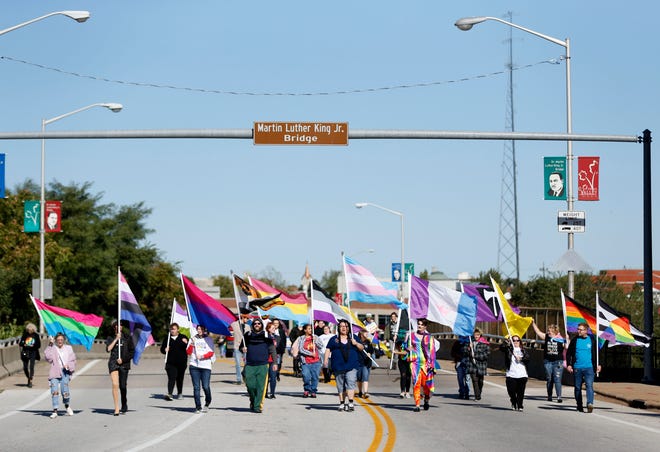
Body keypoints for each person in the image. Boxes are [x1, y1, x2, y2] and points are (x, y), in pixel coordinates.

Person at [324, 319, 364, 412]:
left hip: (352, 365)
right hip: (338, 366)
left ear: (349, 328)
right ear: (338, 328)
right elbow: (328, 349)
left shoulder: (353, 337)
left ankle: (350, 402)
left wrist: (356, 343)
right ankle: (342, 403)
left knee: (351, 382)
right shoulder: (334, 339)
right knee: (340, 385)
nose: (344, 328)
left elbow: (361, 348)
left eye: (345, 326)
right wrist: (325, 360)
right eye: (341, 326)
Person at [242, 318, 277, 413]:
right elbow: (241, 346)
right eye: (255, 323)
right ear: (253, 325)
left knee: (261, 387)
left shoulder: (266, 335)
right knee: (250, 386)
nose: (257, 325)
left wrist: (274, 362)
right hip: (250, 364)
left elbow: (272, 349)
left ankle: (257, 406)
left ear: (261, 325)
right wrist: (243, 348)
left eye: (259, 323)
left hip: (263, 365)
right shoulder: (248, 335)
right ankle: (253, 401)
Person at [566, 322, 601, 413]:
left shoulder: (592, 339)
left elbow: (597, 353)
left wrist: (598, 364)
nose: (578, 331)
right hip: (577, 367)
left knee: (589, 385)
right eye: (578, 329)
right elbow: (569, 353)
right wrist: (569, 364)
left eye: (580, 329)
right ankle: (579, 405)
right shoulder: (575, 340)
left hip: (589, 367)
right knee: (577, 387)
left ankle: (590, 403)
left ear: (586, 330)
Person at [106, 319, 135, 416]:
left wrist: (123, 359)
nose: (119, 327)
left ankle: (124, 403)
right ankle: (116, 408)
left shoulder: (127, 337)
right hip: (113, 362)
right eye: (117, 325)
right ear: (114, 327)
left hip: (124, 363)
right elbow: (108, 349)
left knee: (122, 386)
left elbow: (132, 352)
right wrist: (116, 339)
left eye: (121, 325)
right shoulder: (110, 337)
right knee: (115, 384)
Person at [44, 333, 77, 418]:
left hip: (65, 372)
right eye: (58, 340)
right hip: (55, 372)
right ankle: (55, 410)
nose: (60, 341)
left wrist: (68, 365)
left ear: (64, 340)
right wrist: (50, 344)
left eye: (61, 340)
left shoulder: (68, 348)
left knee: (65, 392)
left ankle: (67, 405)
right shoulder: (53, 348)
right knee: (54, 391)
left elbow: (73, 360)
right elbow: (48, 357)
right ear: (55, 340)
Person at [409, 319, 438, 412]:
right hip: (415, 364)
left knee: (426, 385)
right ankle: (417, 404)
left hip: (426, 364)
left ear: (425, 327)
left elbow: (432, 352)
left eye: (421, 325)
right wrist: (407, 347)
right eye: (418, 324)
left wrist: (432, 365)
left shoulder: (429, 338)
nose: (419, 326)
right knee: (416, 384)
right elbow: (405, 347)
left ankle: (426, 400)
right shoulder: (412, 336)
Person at [532, 321, 566, 402]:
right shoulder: (547, 337)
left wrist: (567, 338)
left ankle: (559, 396)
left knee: (557, 379)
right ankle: (549, 395)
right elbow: (538, 332)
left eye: (549, 331)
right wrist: (533, 323)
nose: (548, 332)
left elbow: (567, 347)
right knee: (549, 379)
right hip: (548, 362)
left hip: (558, 362)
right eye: (548, 331)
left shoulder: (561, 340)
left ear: (555, 331)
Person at [186, 325, 215, 413]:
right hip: (194, 365)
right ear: (196, 329)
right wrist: (191, 344)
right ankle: (198, 406)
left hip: (205, 366)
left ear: (204, 330)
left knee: (205, 386)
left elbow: (211, 353)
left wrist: (202, 356)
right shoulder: (193, 339)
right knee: (196, 387)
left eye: (202, 329)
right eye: (198, 329)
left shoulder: (209, 339)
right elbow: (188, 352)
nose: (200, 330)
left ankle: (207, 402)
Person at [500, 335, 530, 412]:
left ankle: (520, 405)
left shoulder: (523, 350)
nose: (516, 342)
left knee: (520, 392)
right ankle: (513, 401)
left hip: (522, 374)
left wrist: (521, 358)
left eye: (517, 340)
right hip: (511, 374)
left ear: (520, 342)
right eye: (514, 340)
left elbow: (528, 358)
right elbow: (501, 348)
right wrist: (506, 342)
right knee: (511, 391)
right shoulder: (509, 349)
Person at [160, 322, 189, 401]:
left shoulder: (183, 337)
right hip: (171, 363)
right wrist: (165, 350)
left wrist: (186, 342)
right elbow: (162, 349)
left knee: (180, 378)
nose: (172, 331)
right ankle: (170, 394)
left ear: (178, 330)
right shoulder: (167, 338)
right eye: (171, 329)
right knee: (172, 377)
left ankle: (179, 393)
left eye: (174, 329)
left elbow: (188, 348)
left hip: (181, 363)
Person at [299, 323, 323, 398]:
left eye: (311, 328)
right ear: (305, 330)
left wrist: (316, 341)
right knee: (306, 376)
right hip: (306, 361)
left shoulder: (315, 337)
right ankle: (307, 389)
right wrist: (310, 354)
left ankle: (313, 391)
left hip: (316, 361)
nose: (310, 330)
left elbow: (321, 346)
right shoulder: (302, 338)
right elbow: (301, 349)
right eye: (309, 329)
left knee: (315, 377)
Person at [466, 328, 491, 401]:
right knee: (474, 380)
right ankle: (477, 396)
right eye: (475, 335)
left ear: (480, 335)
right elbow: (466, 353)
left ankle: (479, 392)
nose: (476, 336)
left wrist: (475, 356)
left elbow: (486, 355)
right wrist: (469, 349)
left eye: (478, 335)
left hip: (481, 365)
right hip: (472, 365)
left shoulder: (485, 344)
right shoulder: (470, 342)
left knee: (480, 381)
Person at [19, 322, 41, 388]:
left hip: (33, 352)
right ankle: (28, 377)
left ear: (33, 330)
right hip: (25, 352)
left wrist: (33, 345)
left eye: (31, 330)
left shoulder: (36, 335)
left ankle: (30, 380)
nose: (29, 331)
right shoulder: (25, 335)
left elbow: (39, 345)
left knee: (31, 366)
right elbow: (21, 343)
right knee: (25, 367)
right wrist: (24, 344)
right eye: (28, 330)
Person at [230, 314, 250, 385]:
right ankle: (239, 379)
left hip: (245, 348)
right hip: (237, 347)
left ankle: (245, 375)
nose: (246, 320)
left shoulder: (248, 327)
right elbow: (227, 324)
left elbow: (248, 338)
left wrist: (247, 346)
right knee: (238, 364)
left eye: (247, 318)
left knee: (247, 364)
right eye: (245, 318)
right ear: (242, 317)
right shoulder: (235, 324)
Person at [265, 321, 282, 399]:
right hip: (265, 359)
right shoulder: (265, 337)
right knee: (265, 378)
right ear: (268, 329)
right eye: (272, 328)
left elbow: (280, 348)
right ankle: (265, 392)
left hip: (274, 360)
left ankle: (272, 393)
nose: (274, 329)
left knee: (273, 377)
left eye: (274, 328)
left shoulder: (277, 337)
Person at [450, 336, 471, 400]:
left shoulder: (470, 343)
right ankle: (462, 392)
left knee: (467, 378)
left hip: (468, 363)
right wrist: (458, 356)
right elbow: (452, 353)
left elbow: (474, 353)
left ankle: (467, 392)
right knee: (460, 378)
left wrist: (471, 349)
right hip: (459, 363)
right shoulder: (457, 343)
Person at [356, 330, 375, 398]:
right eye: (365, 333)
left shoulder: (368, 342)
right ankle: (360, 391)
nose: (367, 334)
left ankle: (366, 392)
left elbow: (371, 350)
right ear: (361, 334)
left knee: (365, 377)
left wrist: (370, 353)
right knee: (359, 379)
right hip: (358, 363)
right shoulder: (357, 342)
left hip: (366, 363)